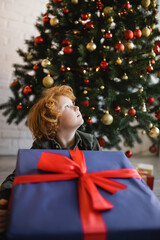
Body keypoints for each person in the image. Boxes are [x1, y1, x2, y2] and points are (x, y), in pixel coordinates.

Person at [0, 85, 101, 234]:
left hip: (82, 200)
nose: (76, 107)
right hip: (53, 201)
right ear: (52, 122)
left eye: (73, 104)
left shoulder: (90, 142)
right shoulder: (42, 146)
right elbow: (19, 175)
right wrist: (4, 198)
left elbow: (101, 172)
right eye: (68, 106)